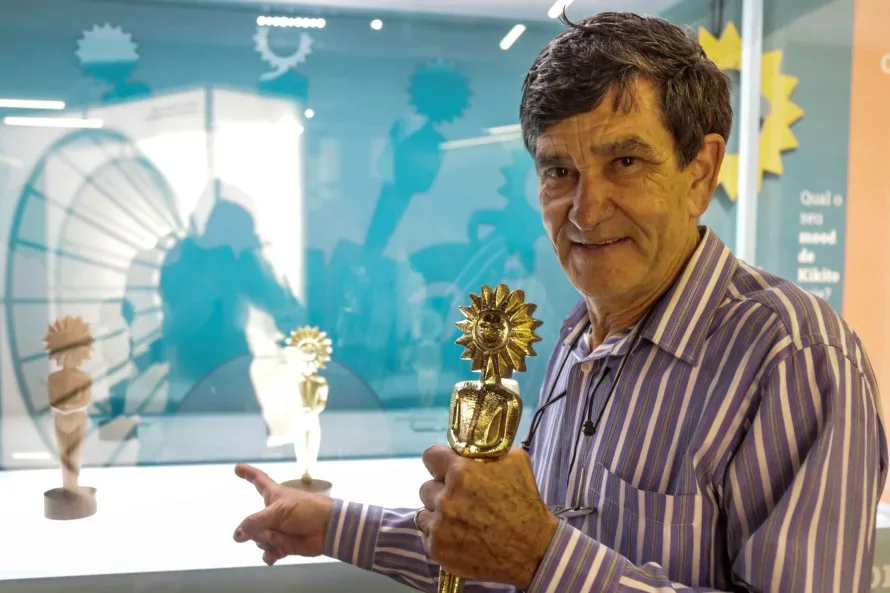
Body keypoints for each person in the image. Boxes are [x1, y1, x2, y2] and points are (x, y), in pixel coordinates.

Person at [231, 11, 888, 592]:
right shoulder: (579, 337)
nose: (585, 210)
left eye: (625, 162)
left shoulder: (795, 357)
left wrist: (542, 555)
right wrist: (333, 524)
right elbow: (504, 554)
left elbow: (533, 555)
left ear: (701, 171)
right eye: (559, 171)